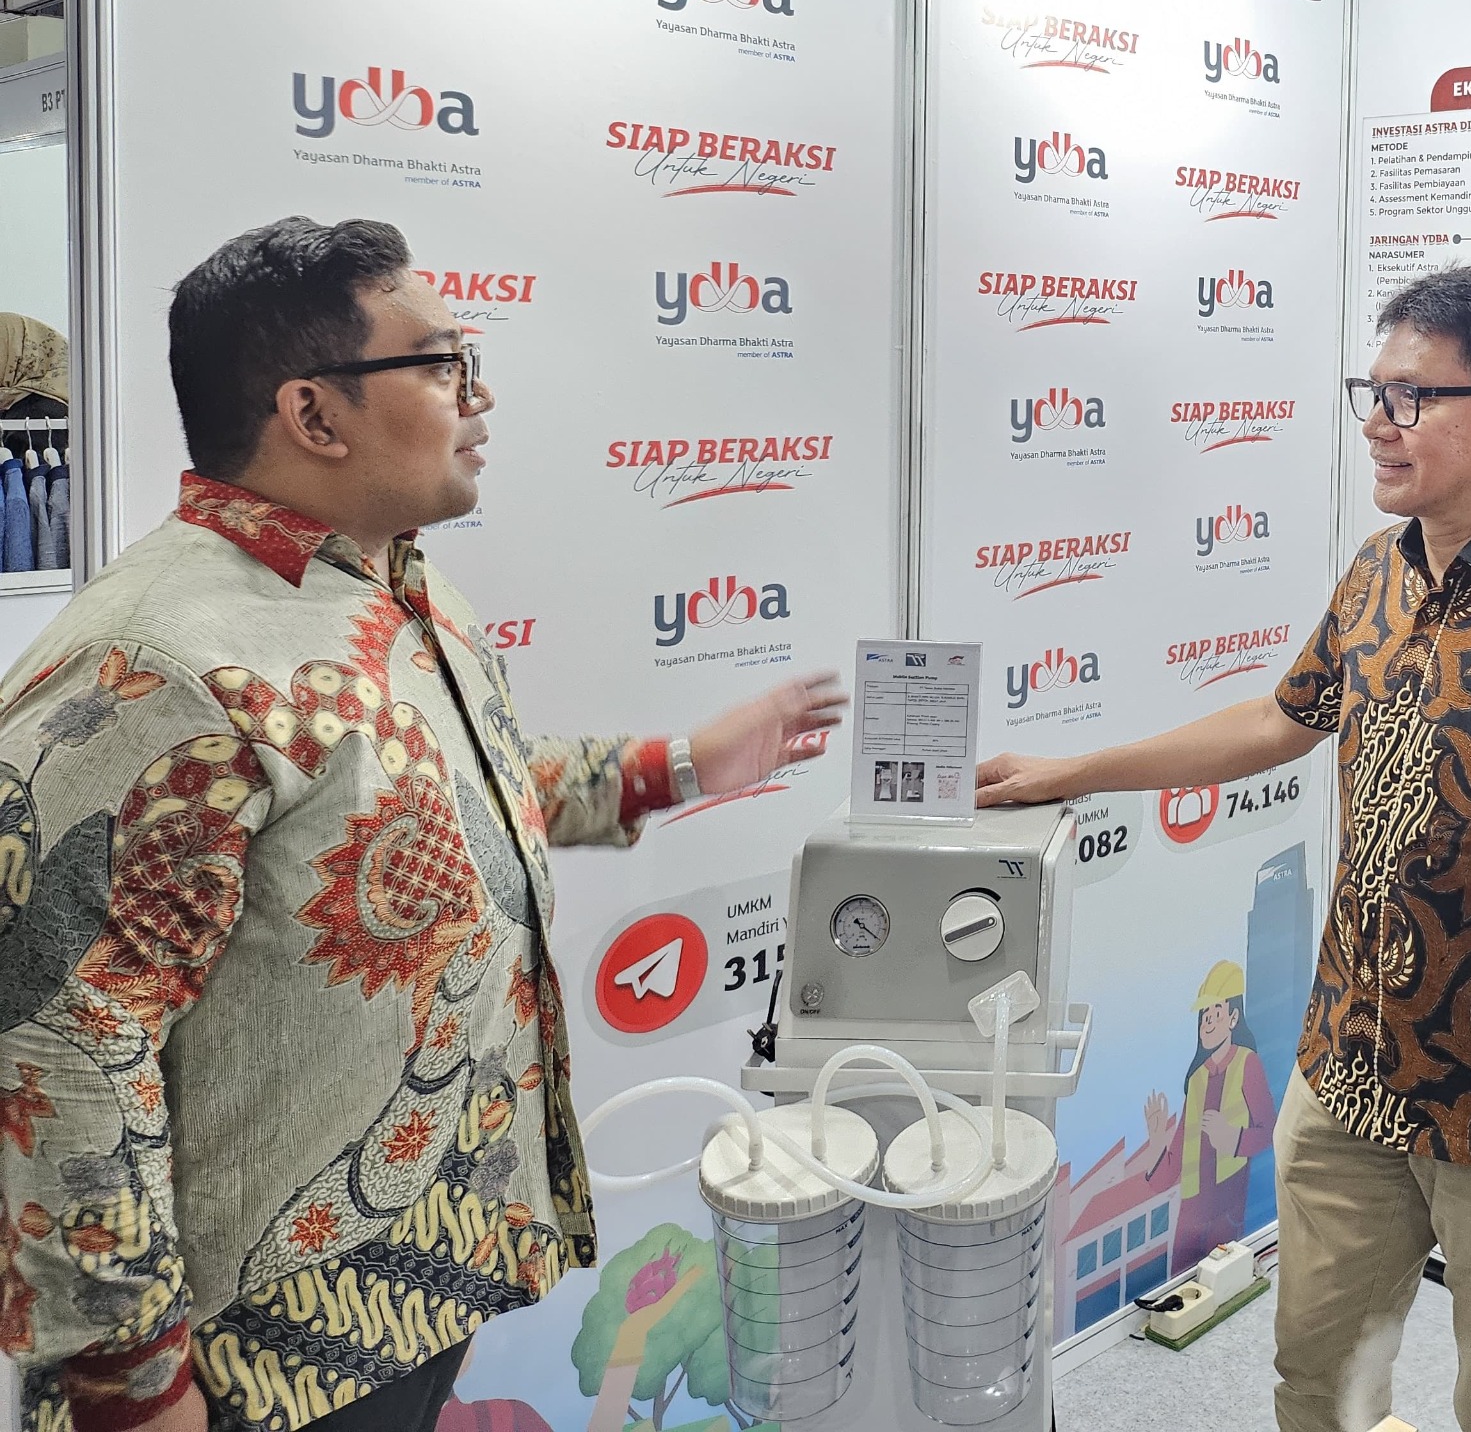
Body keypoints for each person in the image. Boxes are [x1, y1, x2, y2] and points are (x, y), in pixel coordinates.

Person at [0, 219, 846, 1432]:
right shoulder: (156, 663)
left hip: (415, 1288)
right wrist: (133, 1391)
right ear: (314, 413)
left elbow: (444, 791)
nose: (478, 397)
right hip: (246, 1362)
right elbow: (67, 1043)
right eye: (445, 364)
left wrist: (680, 766)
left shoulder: (393, 582)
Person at [981, 266, 1471, 1432]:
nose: (1378, 423)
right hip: (1348, 1072)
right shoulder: (1383, 568)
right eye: (1370, 393)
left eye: (1412, 397)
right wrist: (1077, 771)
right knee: (1317, 1379)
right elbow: (1282, 719)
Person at [1131, 960, 1276, 1276]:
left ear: (1234, 1018)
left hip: (1227, 1214)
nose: (1207, 1023)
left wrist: (1233, 1137)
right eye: (1204, 1016)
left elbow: (1269, 1132)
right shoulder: (1196, 1079)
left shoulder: (1247, 1063)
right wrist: (1157, 1142)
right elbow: (1169, 1174)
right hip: (1189, 1221)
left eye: (1216, 1013)